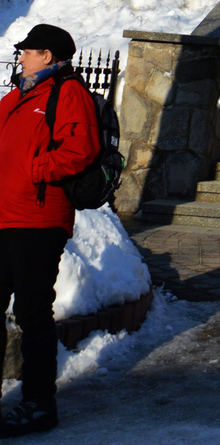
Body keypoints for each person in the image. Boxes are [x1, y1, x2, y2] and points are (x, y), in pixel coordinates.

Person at [0, 24, 101, 436]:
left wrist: (34, 171)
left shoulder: (67, 93)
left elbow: (82, 148)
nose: (20, 55)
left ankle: (39, 404)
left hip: (39, 219)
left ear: (49, 56)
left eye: (28, 50)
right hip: (6, 216)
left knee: (32, 312)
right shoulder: (17, 97)